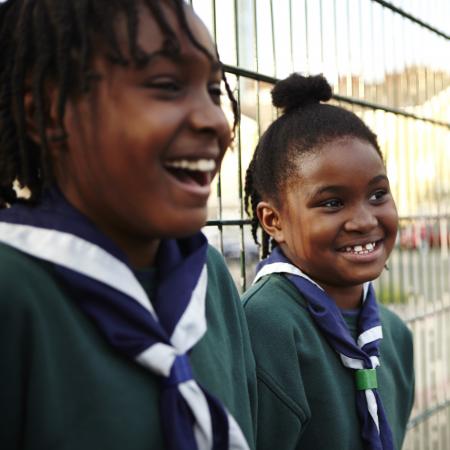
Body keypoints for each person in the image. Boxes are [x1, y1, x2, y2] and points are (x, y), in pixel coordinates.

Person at [0, 1, 256, 449]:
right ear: (49, 113)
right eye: (166, 85)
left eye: (214, 90)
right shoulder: (14, 290)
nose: (215, 120)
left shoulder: (210, 278)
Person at [242, 73, 414, 450]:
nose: (366, 220)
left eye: (378, 194)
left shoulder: (395, 335)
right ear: (274, 221)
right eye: (332, 202)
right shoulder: (264, 327)